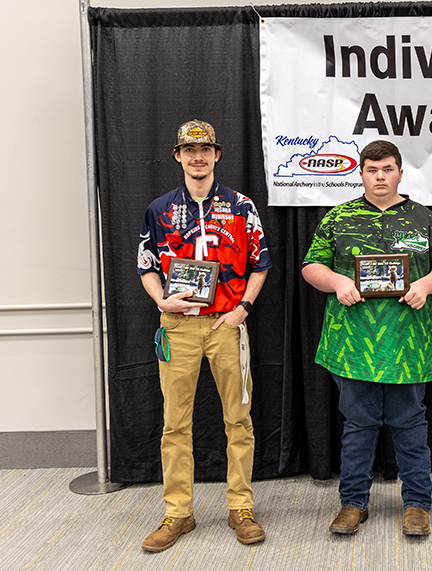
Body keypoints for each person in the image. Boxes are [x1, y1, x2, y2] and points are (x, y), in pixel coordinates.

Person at [302, 140, 432, 537]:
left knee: (410, 424)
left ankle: (418, 504)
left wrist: (425, 284)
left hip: (407, 343)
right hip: (352, 343)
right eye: (372, 170)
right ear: (361, 174)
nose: (380, 177)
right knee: (358, 424)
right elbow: (310, 265)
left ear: (400, 173)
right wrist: (337, 281)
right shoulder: (339, 217)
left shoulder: (424, 218)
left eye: (387, 169)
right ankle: (353, 503)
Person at [137, 120, 272, 551]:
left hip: (225, 325)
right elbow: (145, 266)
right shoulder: (158, 210)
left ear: (217, 155)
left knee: (238, 417)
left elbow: (260, 263)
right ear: (178, 156)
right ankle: (178, 512)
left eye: (205, 149)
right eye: (189, 150)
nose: (198, 157)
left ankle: (241, 507)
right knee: (175, 422)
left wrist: (243, 309)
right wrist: (162, 301)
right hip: (177, 326)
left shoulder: (240, 206)